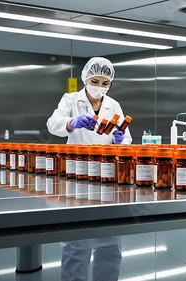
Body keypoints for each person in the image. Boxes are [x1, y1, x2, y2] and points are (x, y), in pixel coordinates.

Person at [47, 57, 132, 281]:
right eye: (95, 81)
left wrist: (118, 141)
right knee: (76, 243)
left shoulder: (113, 105)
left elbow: (126, 141)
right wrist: (71, 123)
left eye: (105, 83)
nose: (99, 87)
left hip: (107, 178)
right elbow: (53, 123)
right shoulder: (71, 99)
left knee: (111, 243)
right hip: (77, 176)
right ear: (85, 78)